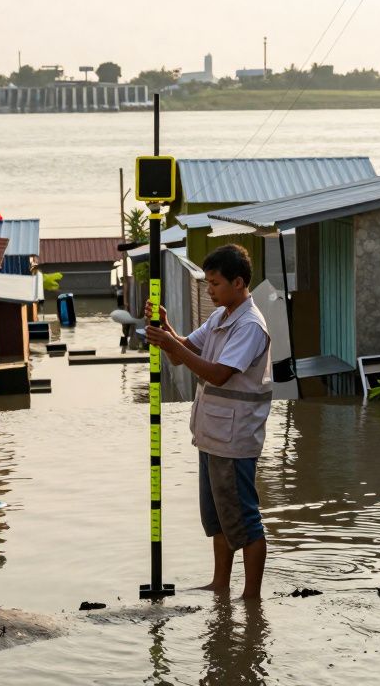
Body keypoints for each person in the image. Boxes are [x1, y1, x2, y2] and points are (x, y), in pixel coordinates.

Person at [144, 244, 272, 599]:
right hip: (212, 434)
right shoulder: (221, 317)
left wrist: (173, 344)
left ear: (239, 282)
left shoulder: (250, 326)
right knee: (218, 518)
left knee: (244, 520)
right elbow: (190, 350)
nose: (209, 290)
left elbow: (217, 374)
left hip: (235, 438)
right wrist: (167, 332)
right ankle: (220, 584)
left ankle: (251, 597)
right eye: (207, 282)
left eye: (215, 283)